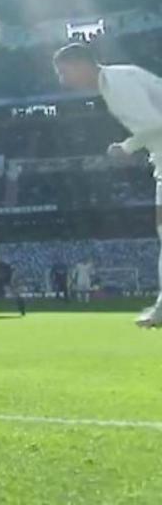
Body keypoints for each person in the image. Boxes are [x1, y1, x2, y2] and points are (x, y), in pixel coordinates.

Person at [55, 43, 162, 327]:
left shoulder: (118, 83)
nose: (63, 81)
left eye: (64, 73)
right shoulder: (113, 83)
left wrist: (125, 148)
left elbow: (155, 122)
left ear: (81, 64)